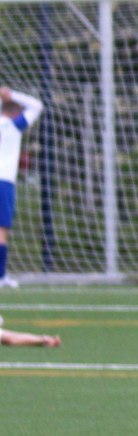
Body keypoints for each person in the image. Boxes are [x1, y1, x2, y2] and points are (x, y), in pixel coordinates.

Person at [0, 86, 44, 290]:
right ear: (16, 113)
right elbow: (37, 105)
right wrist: (11, 94)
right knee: (1, 232)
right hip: (3, 182)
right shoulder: (14, 126)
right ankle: (0, 276)